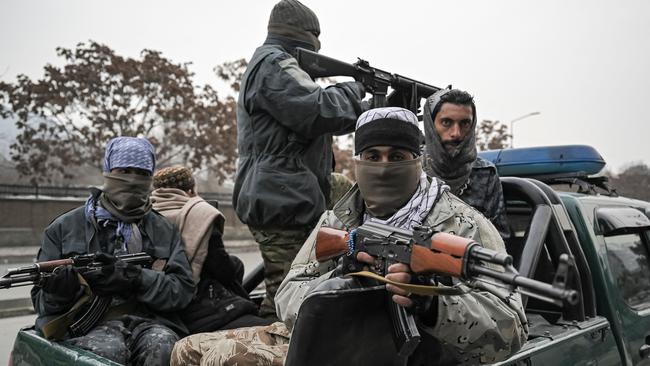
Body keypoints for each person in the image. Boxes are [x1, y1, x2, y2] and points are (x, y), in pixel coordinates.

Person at [170, 107, 528, 366]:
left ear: (417, 160)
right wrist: (337, 277)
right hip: (332, 348)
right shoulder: (339, 218)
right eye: (373, 155)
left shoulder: (466, 225)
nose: (384, 165)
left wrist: (432, 304)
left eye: (397, 156)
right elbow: (288, 295)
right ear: (358, 160)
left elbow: (511, 333)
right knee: (187, 350)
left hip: (418, 357)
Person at [232, 0, 368, 320]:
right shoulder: (274, 64)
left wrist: (373, 110)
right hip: (280, 200)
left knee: (292, 289)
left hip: (285, 195)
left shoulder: (274, 64)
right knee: (287, 300)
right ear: (307, 37)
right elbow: (317, 110)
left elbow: (320, 117)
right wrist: (358, 88)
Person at [31, 137, 195, 365]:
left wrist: (137, 279)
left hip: (148, 321)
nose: (132, 179)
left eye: (141, 173)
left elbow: (182, 291)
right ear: (108, 171)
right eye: (124, 171)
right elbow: (40, 303)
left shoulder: (164, 230)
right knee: (106, 352)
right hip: (84, 323)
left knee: (163, 345)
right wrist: (57, 293)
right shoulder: (64, 228)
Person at [151, 166, 269, 332]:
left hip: (157, 308)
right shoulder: (200, 214)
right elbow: (222, 269)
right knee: (270, 332)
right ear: (191, 189)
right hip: (199, 309)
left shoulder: (146, 213)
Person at [423, 88, 510, 237]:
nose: (456, 133)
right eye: (446, 122)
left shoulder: (485, 174)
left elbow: (498, 240)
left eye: (464, 124)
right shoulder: (411, 170)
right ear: (431, 124)